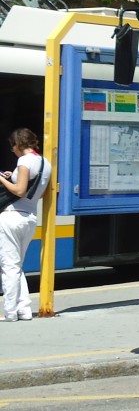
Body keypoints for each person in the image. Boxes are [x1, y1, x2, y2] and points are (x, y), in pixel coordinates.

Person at [0, 128, 51, 322]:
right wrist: (9, 177)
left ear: (18, 144)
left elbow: (20, 190)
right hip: (30, 217)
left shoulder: (23, 161)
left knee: (9, 267)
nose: (12, 150)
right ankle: (25, 309)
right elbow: (37, 190)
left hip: (12, 217)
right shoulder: (45, 163)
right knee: (17, 266)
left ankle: (10, 313)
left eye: (12, 146)